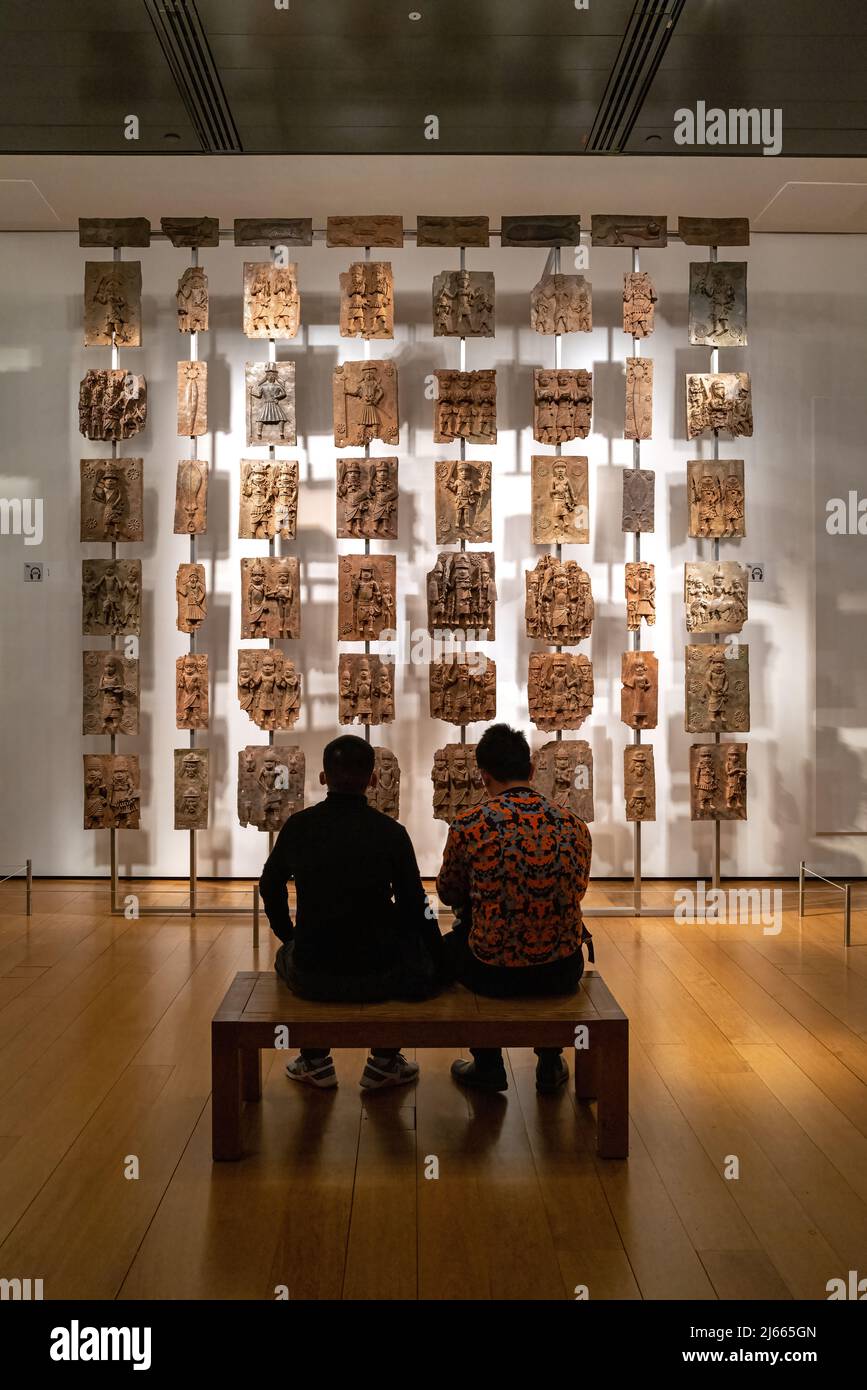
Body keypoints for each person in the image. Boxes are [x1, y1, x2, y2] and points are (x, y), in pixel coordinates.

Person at [259, 735, 443, 1091]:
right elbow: (414, 902)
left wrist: (290, 936)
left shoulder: (300, 827)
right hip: (380, 965)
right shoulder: (391, 833)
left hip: (313, 965)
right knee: (405, 951)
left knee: (285, 958)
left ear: (323, 778)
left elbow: (270, 885)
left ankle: (315, 1059)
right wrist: (434, 950)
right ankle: (385, 1061)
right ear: (373, 779)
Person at [436, 723, 593, 1094]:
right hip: (562, 965)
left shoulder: (470, 825)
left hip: (492, 969)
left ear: (483, 775)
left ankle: (488, 1062)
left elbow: (447, 891)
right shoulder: (574, 826)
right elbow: (578, 890)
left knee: (449, 947)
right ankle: (550, 1059)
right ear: (533, 770)